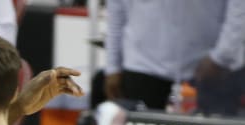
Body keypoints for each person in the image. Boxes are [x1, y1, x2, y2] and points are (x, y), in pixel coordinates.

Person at [104, 0, 245, 115]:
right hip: (143, 66)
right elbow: (116, 11)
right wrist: (113, 66)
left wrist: (222, 56)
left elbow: (239, 8)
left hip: (214, 66)